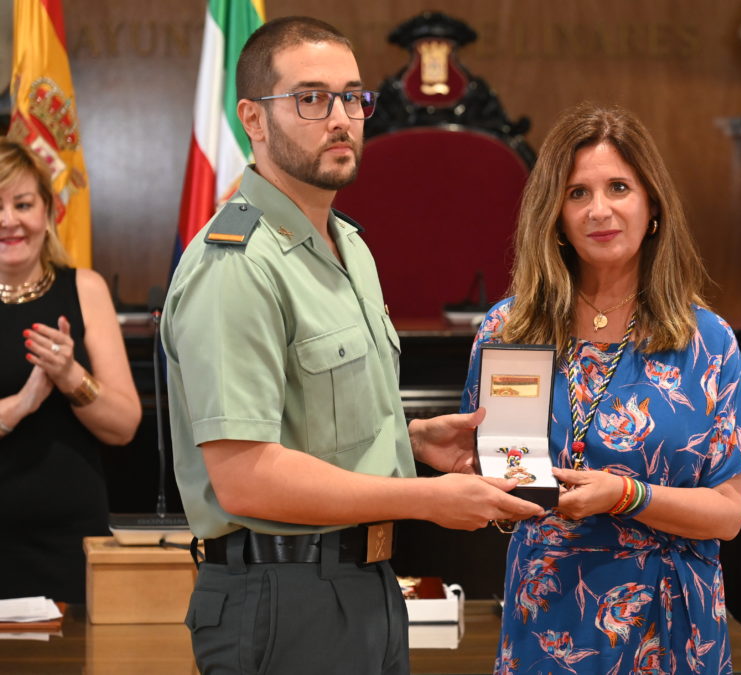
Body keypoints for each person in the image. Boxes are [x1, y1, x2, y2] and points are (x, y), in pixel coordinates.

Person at [162, 16, 543, 675]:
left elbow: (309, 418)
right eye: (311, 98)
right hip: (281, 599)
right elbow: (245, 475)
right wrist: (427, 499)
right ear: (252, 119)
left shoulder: (350, 245)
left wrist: (410, 436)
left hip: (361, 587)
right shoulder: (237, 262)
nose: (340, 117)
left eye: (353, 97)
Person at [460, 103, 741, 675]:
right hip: (548, 623)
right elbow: (501, 485)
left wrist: (627, 496)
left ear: (652, 206)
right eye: (577, 193)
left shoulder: (707, 340)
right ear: (554, 214)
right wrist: (490, 486)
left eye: (619, 187)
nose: (599, 210)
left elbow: (728, 514)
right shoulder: (512, 329)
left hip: (673, 627)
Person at [0, 138, 141, 602]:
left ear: (48, 211)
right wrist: (21, 405)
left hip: (69, 543)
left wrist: (70, 377)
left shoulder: (85, 288)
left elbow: (123, 426)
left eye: (22, 204)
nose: (8, 221)